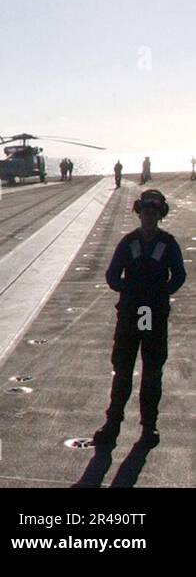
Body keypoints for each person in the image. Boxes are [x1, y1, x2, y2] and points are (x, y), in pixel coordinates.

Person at [92, 190, 186, 448]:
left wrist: (159, 293)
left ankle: (148, 426)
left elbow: (179, 275)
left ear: (160, 214)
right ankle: (113, 424)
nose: (149, 215)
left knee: (152, 371)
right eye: (146, 210)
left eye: (154, 211)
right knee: (122, 369)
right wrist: (131, 290)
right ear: (139, 212)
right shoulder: (128, 242)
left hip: (153, 315)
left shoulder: (167, 244)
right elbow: (112, 275)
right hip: (131, 314)